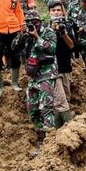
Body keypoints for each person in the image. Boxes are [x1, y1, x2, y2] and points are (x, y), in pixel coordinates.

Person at [12, 10, 57, 144]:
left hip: (46, 75)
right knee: (32, 110)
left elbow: (52, 48)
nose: (33, 25)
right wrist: (22, 34)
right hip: (33, 77)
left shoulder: (48, 32)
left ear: (40, 22)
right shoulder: (25, 35)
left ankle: (50, 140)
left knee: (47, 109)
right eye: (30, 23)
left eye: (35, 22)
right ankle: (42, 133)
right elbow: (14, 47)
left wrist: (37, 37)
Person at [48, 0, 75, 127]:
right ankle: (67, 128)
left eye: (59, 10)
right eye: (53, 10)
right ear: (49, 13)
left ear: (63, 12)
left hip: (65, 66)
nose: (56, 13)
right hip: (52, 69)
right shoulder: (44, 27)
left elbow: (72, 45)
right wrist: (51, 31)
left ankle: (57, 127)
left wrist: (63, 32)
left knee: (65, 98)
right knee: (61, 100)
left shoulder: (68, 26)